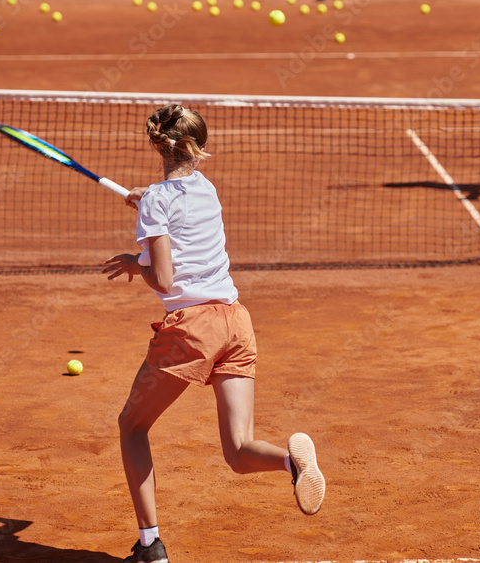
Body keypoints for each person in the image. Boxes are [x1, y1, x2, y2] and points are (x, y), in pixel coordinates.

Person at [102, 104, 325, 563]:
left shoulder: (155, 202)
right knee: (239, 452)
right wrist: (148, 201)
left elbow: (163, 281)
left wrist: (134, 261)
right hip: (236, 322)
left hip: (192, 330)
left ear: (155, 144)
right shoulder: (206, 189)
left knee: (132, 427)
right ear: (197, 147)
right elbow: (173, 200)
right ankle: (292, 462)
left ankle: (150, 547)